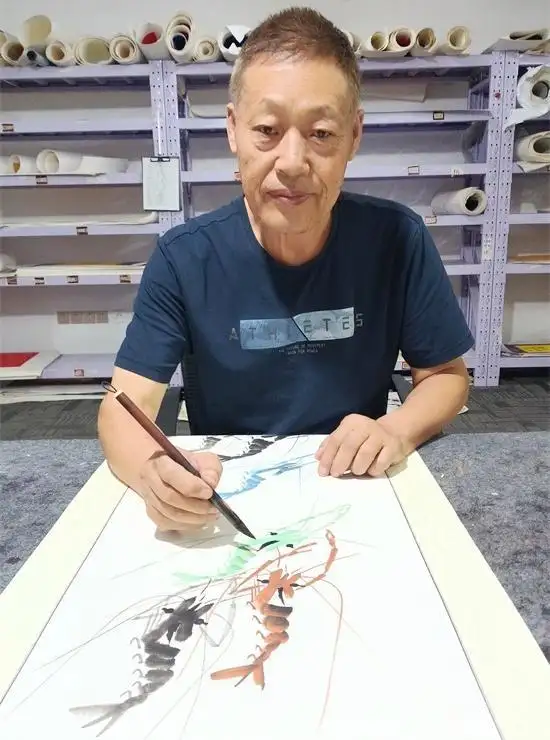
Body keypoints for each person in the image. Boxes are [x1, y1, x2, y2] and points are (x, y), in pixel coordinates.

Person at [98, 7, 473, 533]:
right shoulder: (184, 258)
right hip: (230, 492)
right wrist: (151, 471)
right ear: (233, 130)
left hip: (357, 488)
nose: (293, 162)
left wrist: (397, 430)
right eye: (267, 130)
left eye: (321, 133)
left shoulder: (396, 238)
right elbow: (123, 407)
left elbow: (446, 378)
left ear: (354, 135)